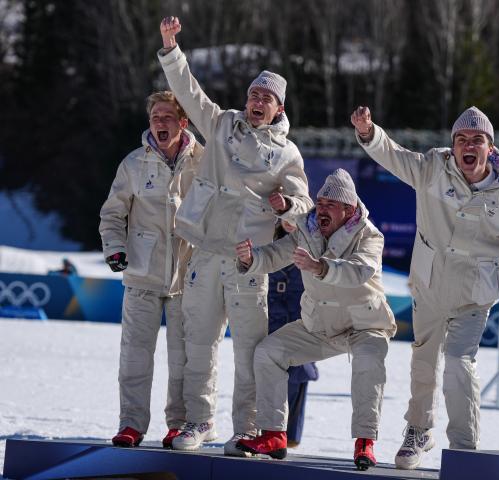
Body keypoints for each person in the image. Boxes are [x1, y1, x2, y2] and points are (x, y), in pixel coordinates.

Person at [351, 105, 499, 469]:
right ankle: (419, 430)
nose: (468, 146)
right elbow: (394, 156)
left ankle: (463, 447)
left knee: (459, 362)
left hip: (474, 295)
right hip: (429, 285)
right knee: (423, 362)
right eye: (461, 140)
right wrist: (369, 133)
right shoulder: (432, 169)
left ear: (491, 148)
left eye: (477, 140)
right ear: (453, 146)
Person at [158, 17, 313, 453]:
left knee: (248, 350)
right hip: (206, 250)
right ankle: (197, 421)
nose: (256, 101)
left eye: (266, 97)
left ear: (279, 108)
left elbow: (304, 205)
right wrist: (172, 50)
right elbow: (190, 91)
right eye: (253, 94)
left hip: (248, 260)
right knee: (198, 344)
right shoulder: (223, 124)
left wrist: (285, 207)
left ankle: (246, 429)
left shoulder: (287, 153)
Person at [235, 169, 396, 471]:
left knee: (368, 363)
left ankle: (365, 441)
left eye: (330, 204)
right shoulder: (306, 229)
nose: (321, 209)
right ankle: (273, 434)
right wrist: (251, 259)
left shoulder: (370, 235)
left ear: (348, 210)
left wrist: (319, 267)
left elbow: (360, 271)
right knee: (269, 353)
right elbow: (277, 253)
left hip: (365, 325)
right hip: (320, 325)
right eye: (319, 202)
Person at [99, 90, 203, 449]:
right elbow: (112, 214)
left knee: (183, 360)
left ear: (183, 122)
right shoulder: (133, 164)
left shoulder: (202, 161)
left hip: (188, 278)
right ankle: (131, 424)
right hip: (142, 276)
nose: (160, 123)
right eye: (155, 118)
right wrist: (115, 248)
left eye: (167, 118)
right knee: (135, 355)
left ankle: (178, 425)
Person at [267, 220, 319, 448]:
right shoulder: (264, 234)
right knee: (266, 370)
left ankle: (291, 433)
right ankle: (266, 429)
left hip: (301, 314)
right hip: (271, 312)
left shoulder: (314, 238)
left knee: (299, 372)